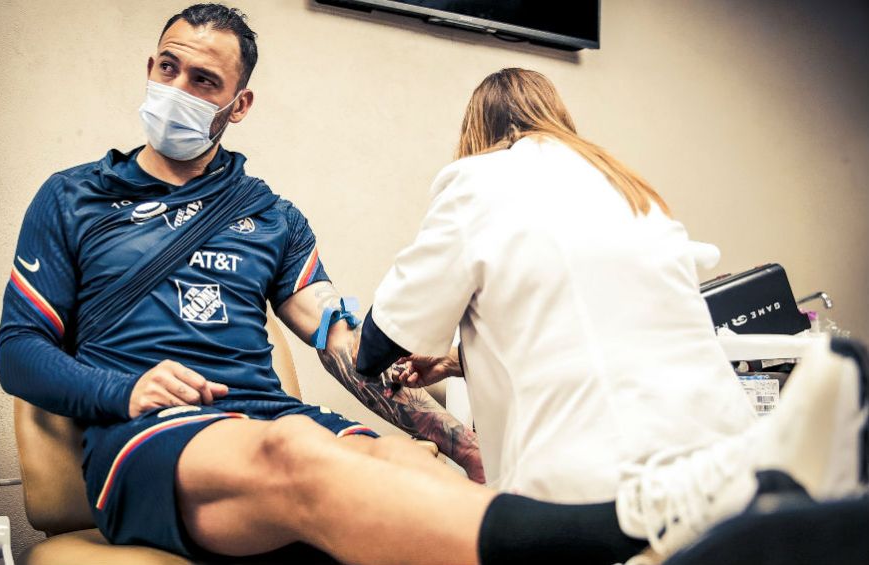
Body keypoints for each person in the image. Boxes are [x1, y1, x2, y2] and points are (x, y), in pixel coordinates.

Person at [0, 3, 865, 563]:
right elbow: (19, 351)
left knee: (405, 466)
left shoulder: (267, 214)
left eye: (203, 81)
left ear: (239, 103)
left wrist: (452, 438)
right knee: (293, 454)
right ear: (151, 65)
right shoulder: (74, 198)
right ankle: (636, 522)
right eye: (167, 68)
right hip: (152, 438)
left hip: (269, 414)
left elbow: (347, 344)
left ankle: (718, 529)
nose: (177, 90)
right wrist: (123, 388)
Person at [354, 67, 869, 559]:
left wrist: (384, 339)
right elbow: (589, 324)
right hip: (718, 443)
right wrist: (456, 360)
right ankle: (770, 475)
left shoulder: (476, 183)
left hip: (595, 484)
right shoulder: (628, 188)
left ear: (477, 133)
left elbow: (378, 346)